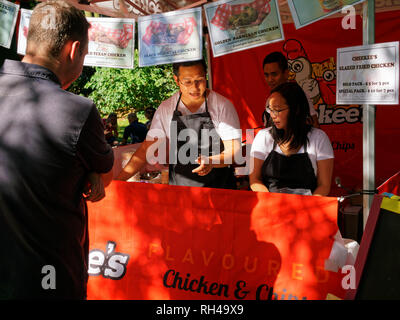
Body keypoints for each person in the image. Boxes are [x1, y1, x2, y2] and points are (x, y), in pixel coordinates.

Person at [0, 0, 114, 299]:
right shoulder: (79, 111)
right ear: (73, 50)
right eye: (85, 55)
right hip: (47, 280)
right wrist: (94, 172)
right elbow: (106, 172)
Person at [117, 59, 242, 189]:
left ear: (206, 75)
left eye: (200, 79)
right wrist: (118, 182)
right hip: (181, 192)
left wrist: (211, 161)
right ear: (177, 80)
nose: (195, 87)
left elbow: (234, 150)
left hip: (219, 189)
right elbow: (146, 150)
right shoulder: (166, 108)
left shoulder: (221, 106)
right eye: (187, 82)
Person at [249, 82, 333, 196]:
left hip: (307, 207)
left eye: (278, 110)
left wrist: (307, 209)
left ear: (296, 109)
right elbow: (255, 180)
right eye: (270, 109)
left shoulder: (319, 138)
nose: (273, 115)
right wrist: (271, 203)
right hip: (270, 207)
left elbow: (324, 185)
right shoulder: (263, 137)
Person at [262, 51, 320, 128]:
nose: (270, 79)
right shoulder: (270, 100)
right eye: (266, 75)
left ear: (286, 73)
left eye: (274, 74)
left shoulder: (299, 96)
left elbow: (315, 126)